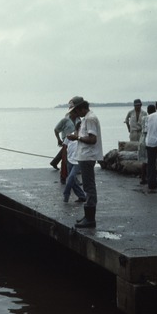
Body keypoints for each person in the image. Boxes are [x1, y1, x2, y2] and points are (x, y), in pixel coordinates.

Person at [66, 96, 103, 228]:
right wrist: (78, 133)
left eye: (76, 111)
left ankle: (90, 218)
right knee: (87, 186)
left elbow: (93, 139)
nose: (76, 114)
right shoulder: (85, 119)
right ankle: (87, 216)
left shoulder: (90, 119)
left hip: (88, 156)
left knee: (89, 187)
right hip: (84, 156)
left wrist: (77, 137)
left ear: (81, 108)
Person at [50, 100, 78, 184]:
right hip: (67, 140)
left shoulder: (78, 120)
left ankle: (56, 164)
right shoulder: (65, 120)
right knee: (66, 159)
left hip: (75, 141)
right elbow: (56, 129)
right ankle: (64, 177)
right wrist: (58, 139)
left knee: (72, 158)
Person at [62, 121, 87, 203]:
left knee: (71, 178)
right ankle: (82, 196)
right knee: (73, 181)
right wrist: (65, 160)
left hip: (78, 161)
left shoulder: (84, 137)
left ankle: (66, 194)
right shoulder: (70, 136)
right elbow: (64, 147)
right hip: (69, 160)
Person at [137, 104, 156, 185]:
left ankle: (143, 178)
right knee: (151, 161)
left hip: (142, 140)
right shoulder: (154, 119)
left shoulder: (144, 118)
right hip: (149, 140)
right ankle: (149, 178)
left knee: (144, 161)